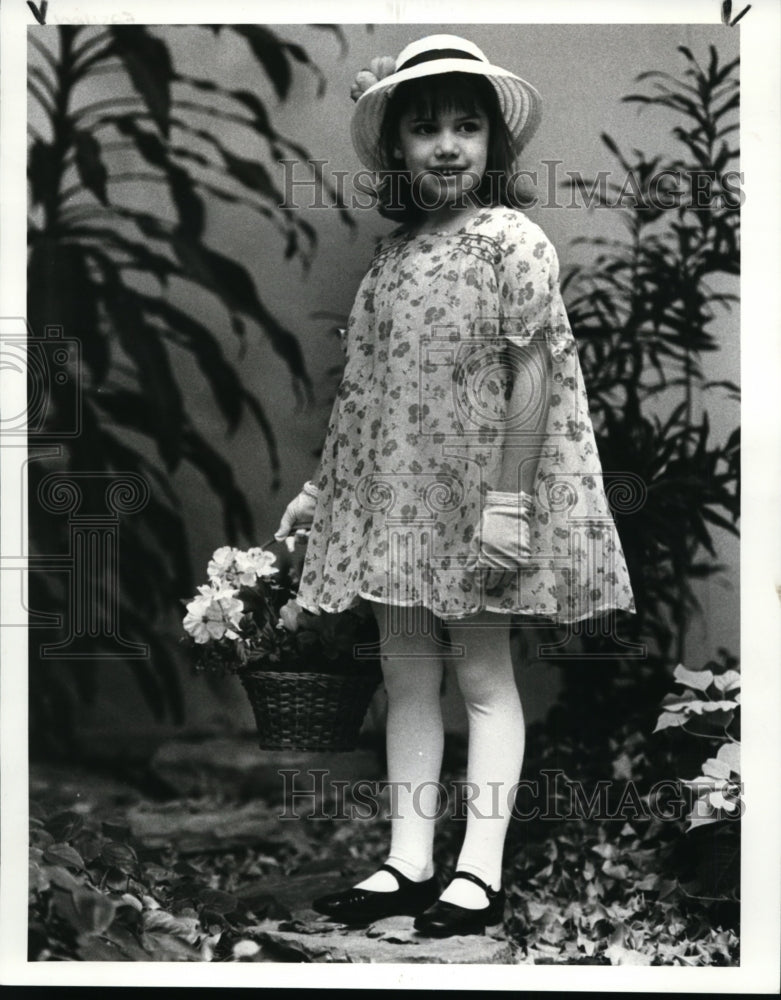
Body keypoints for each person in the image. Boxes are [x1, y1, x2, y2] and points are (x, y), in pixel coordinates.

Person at [274, 34, 636, 938]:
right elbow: (368, 393)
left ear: (491, 145)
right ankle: (408, 858)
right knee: (405, 673)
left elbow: (534, 374)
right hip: (397, 505)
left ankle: (477, 871)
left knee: (479, 672)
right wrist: (322, 494)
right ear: (397, 146)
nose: (445, 145)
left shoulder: (510, 240)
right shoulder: (391, 260)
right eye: (425, 127)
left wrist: (508, 500)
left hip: (478, 508)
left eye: (465, 126)